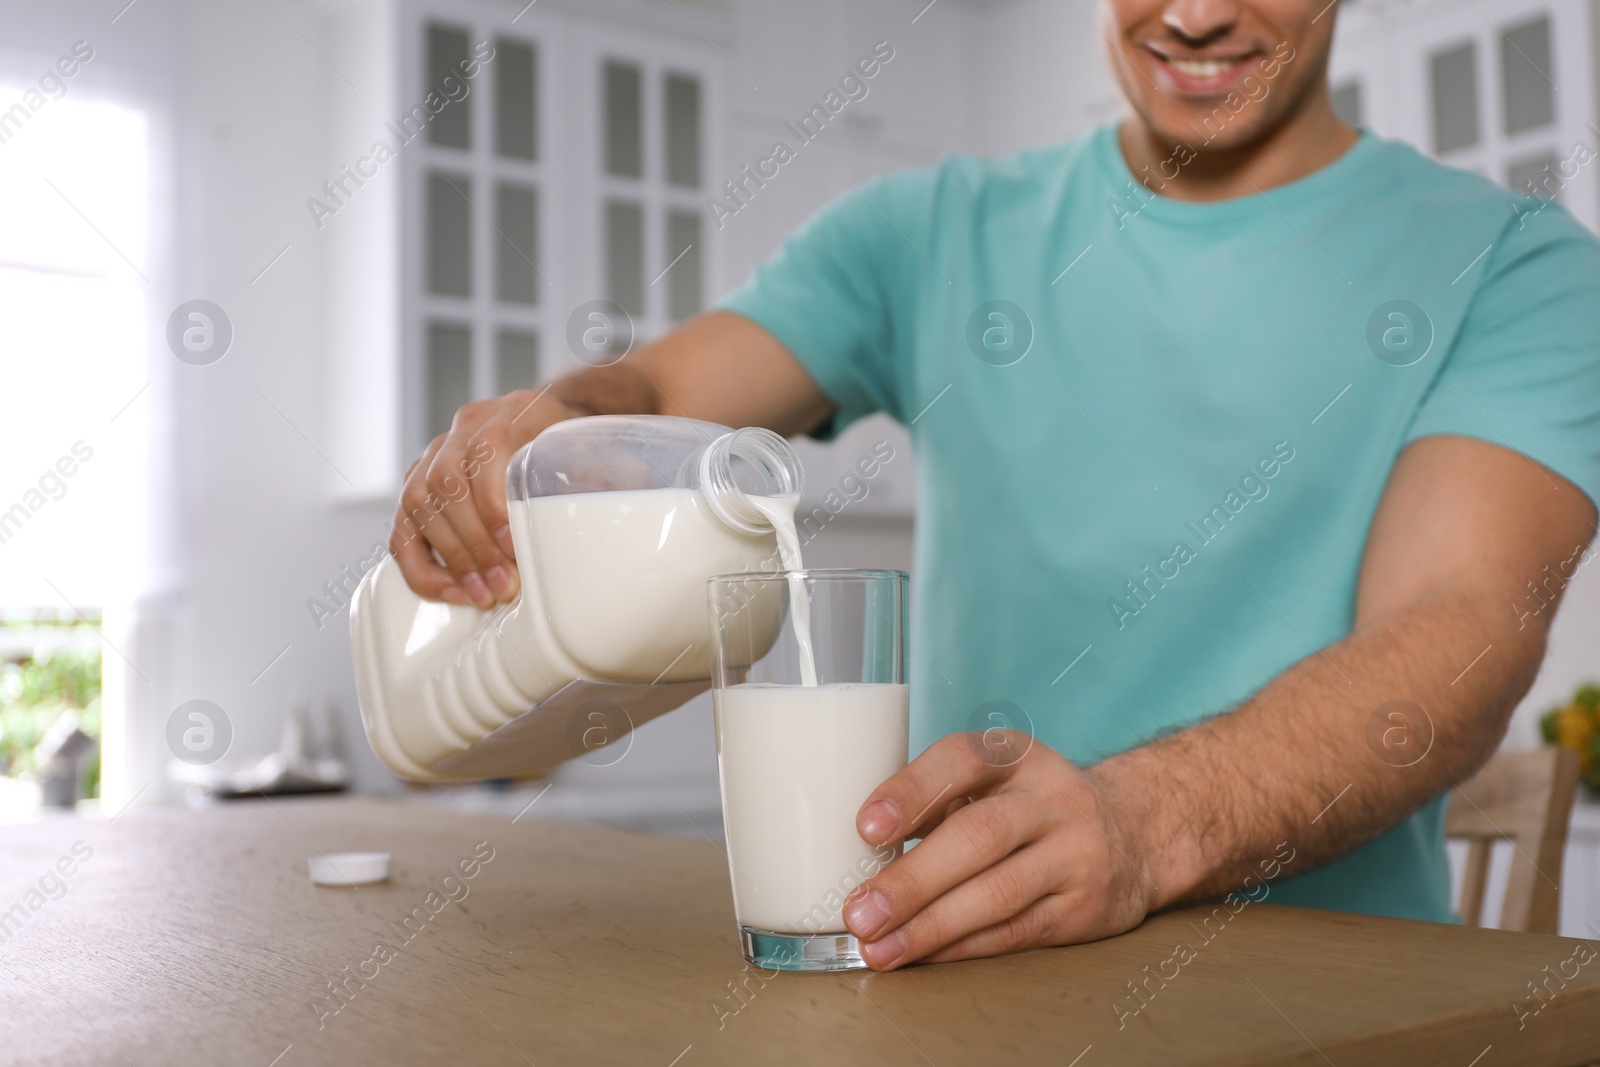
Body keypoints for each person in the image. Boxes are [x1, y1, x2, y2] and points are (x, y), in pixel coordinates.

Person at [390, 0, 1600, 971]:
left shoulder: (1517, 266)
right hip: (953, 983)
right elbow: (647, 399)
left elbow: (1457, 621)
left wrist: (1143, 822)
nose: (1192, 13)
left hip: (1336, 1002)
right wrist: (553, 428)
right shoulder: (925, 231)